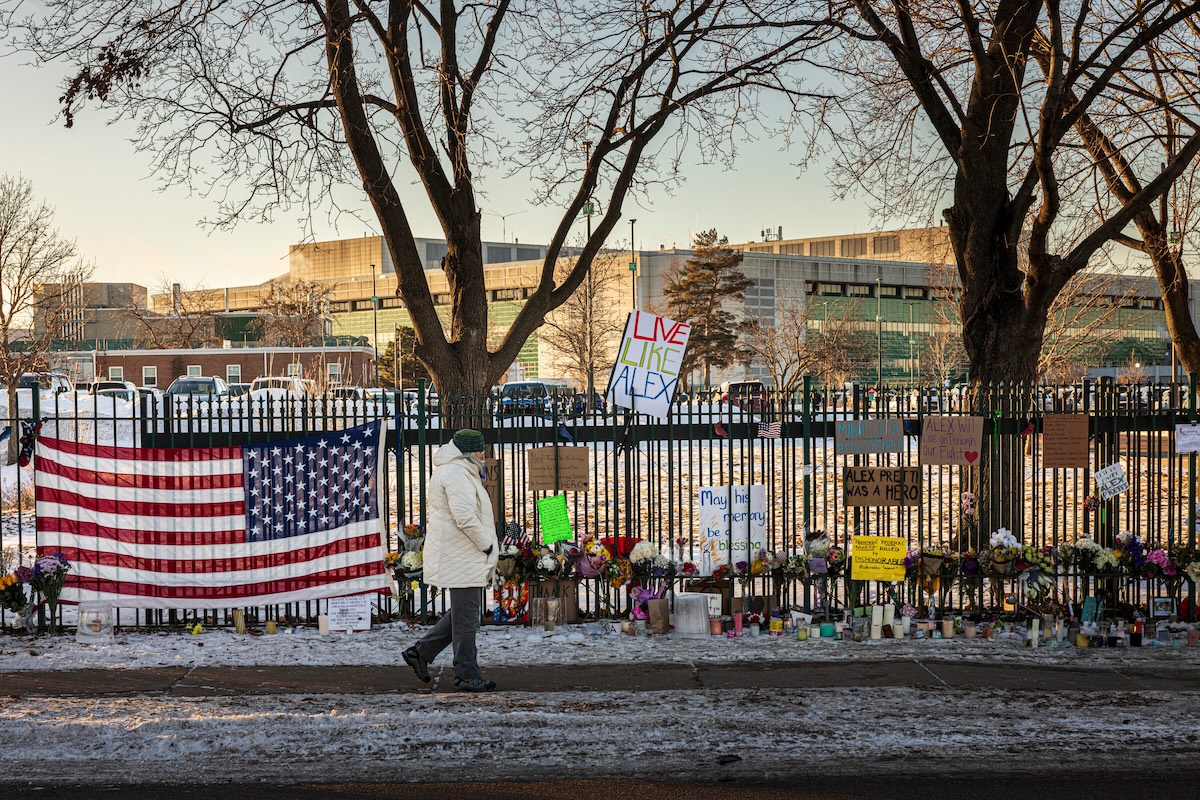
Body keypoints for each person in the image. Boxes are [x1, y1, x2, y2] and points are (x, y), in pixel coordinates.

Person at [403, 428, 499, 691]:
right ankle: (466, 673)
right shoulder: (456, 474)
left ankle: (421, 653)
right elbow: (464, 517)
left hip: (460, 552)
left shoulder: (460, 470)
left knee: (462, 613)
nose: (483, 454)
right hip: (463, 554)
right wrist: (488, 546)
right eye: (480, 450)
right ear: (468, 452)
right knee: (467, 617)